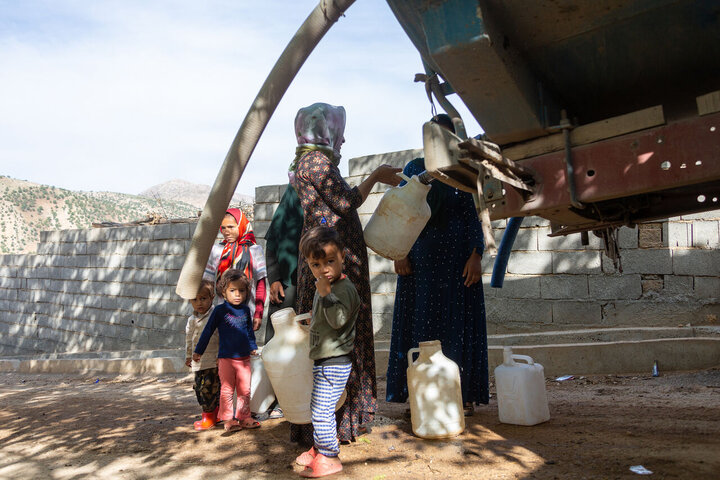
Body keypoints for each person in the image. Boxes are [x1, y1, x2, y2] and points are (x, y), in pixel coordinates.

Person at [292, 102, 402, 444]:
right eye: (337, 130)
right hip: (334, 262)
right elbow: (347, 202)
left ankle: (324, 419)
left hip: (325, 256)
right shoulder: (318, 162)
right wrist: (376, 177)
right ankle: (340, 420)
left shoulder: (304, 161)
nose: (342, 138)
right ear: (325, 130)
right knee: (340, 329)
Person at [386, 114, 490, 415]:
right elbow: (402, 210)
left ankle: (463, 393)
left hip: (459, 263)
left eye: (445, 136)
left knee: (459, 325)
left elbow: (478, 213)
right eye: (433, 136)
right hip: (420, 263)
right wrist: (399, 253)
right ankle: (418, 394)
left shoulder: (468, 169)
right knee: (420, 327)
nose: (439, 142)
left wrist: (476, 254)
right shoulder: (416, 168)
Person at [294, 226, 360, 478]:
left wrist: (326, 296)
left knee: (321, 410)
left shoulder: (343, 289)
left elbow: (339, 319)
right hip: (324, 359)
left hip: (335, 361)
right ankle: (320, 447)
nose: (324, 270)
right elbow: (326, 317)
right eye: (316, 264)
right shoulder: (327, 286)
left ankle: (330, 456)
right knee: (319, 406)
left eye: (330, 261)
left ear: (343, 256)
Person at [193, 269, 261, 432]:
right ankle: (228, 420)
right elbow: (208, 330)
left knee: (245, 389)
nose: (237, 294)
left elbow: (249, 332)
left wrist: (252, 346)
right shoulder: (219, 311)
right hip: (226, 359)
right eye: (232, 290)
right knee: (227, 389)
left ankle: (244, 417)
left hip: (244, 359)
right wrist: (198, 351)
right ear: (223, 292)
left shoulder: (245, 311)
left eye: (242, 291)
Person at [204, 208, 267, 331]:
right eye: (223, 228)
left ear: (241, 225)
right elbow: (207, 283)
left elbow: (261, 283)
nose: (226, 231)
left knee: (244, 347)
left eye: (231, 227)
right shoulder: (217, 250)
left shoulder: (255, 250)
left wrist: (258, 314)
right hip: (223, 312)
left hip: (247, 312)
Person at [184, 279, 220, 430]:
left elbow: (221, 337)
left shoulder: (216, 315)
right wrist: (188, 356)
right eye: (195, 299)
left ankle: (210, 417)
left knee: (212, 389)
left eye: (203, 299)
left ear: (212, 297)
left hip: (214, 361)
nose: (199, 303)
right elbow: (189, 338)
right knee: (200, 388)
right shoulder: (192, 320)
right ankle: (211, 415)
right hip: (199, 363)